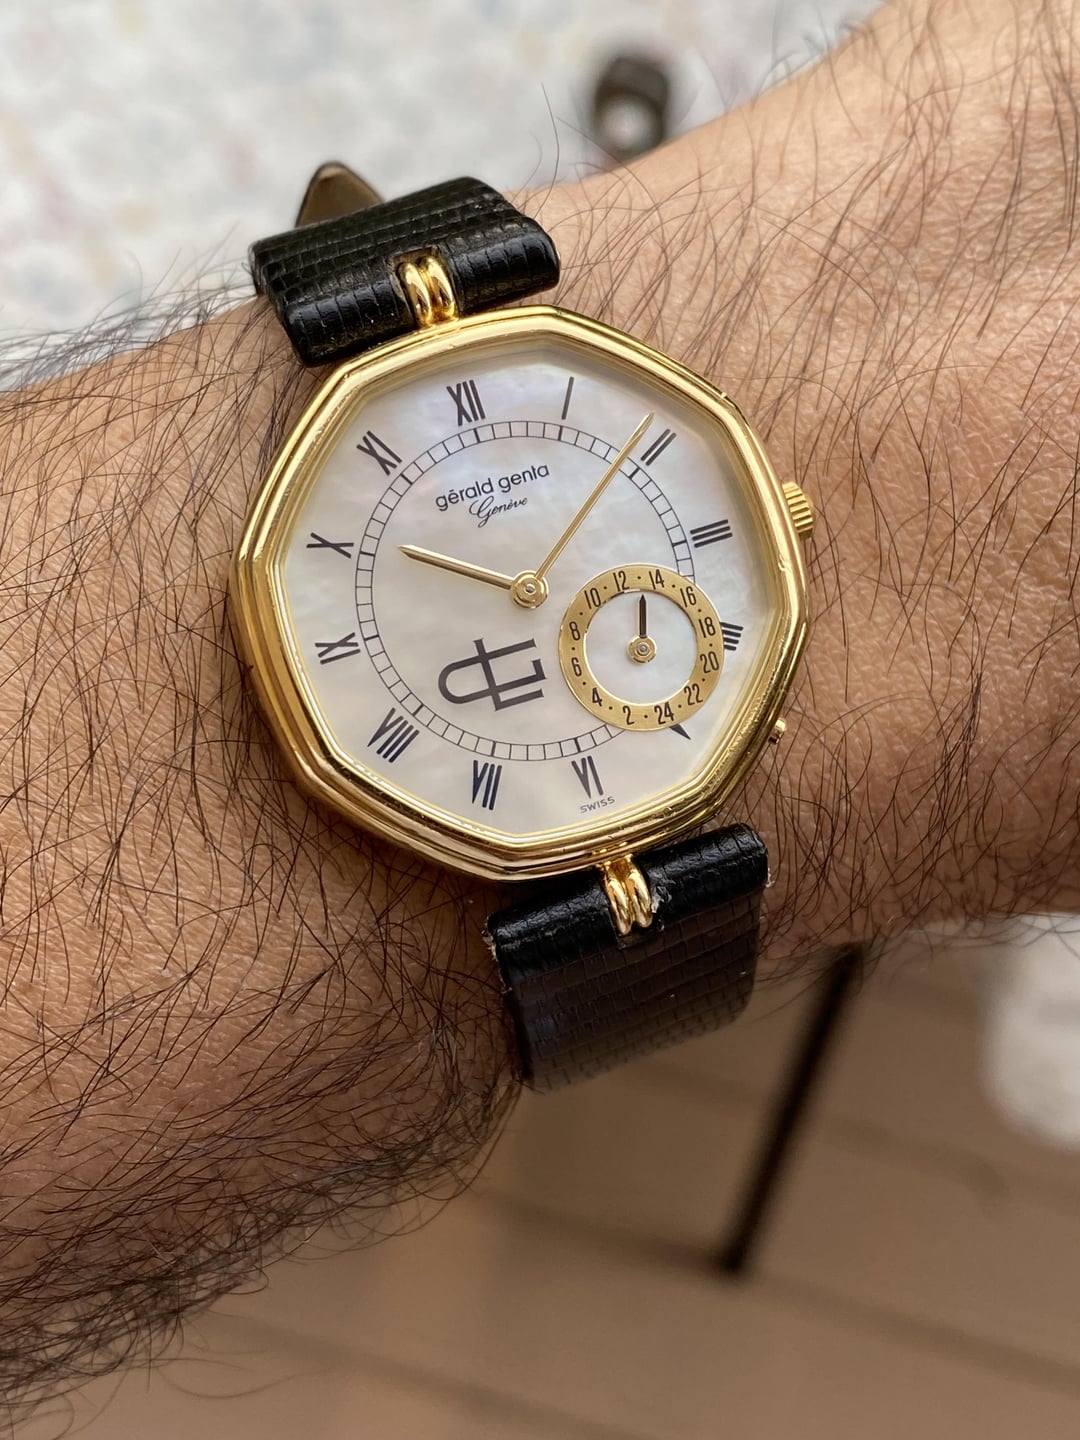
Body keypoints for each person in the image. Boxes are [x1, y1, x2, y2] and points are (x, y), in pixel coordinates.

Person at [1, 0, 1076, 1409]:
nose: (530, 593)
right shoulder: (301, 582)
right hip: (519, 825)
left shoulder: (667, 466)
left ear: (778, 505)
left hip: (619, 794)